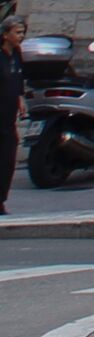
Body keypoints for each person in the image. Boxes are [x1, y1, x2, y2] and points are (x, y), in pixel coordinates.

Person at [0, 15, 23, 214]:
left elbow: (18, 78)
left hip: (9, 117)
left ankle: (1, 199)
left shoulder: (16, 54)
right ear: (6, 35)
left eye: (23, 32)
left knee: (8, 159)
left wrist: (20, 97)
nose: (21, 36)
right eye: (17, 32)